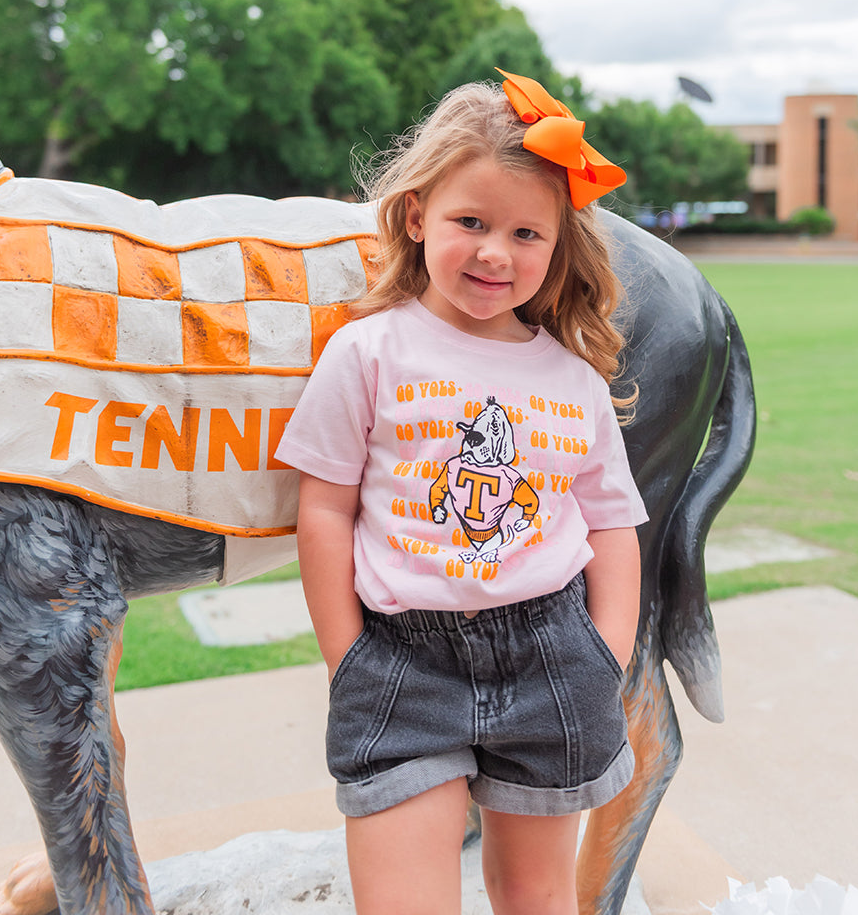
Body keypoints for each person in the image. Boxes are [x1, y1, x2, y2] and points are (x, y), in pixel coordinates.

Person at [277, 69, 648, 915]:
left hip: (554, 660)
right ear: (417, 216)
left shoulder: (574, 381)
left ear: (557, 247)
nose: (494, 253)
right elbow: (325, 510)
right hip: (401, 665)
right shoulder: (368, 353)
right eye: (470, 222)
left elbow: (612, 525)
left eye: (526, 232)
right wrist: (347, 658)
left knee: (534, 895)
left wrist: (609, 654)